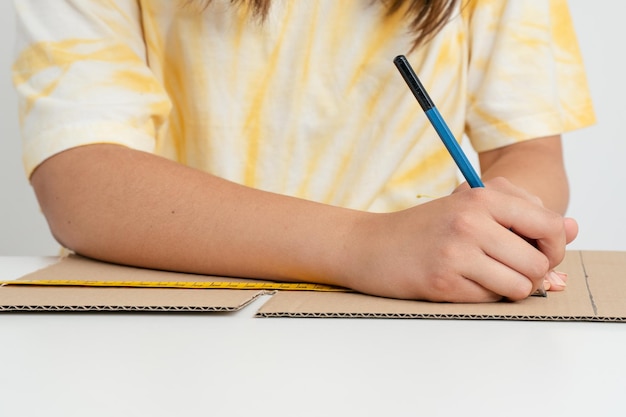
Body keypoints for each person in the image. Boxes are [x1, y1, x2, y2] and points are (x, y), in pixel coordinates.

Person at [12, 0, 594, 302]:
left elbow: (529, 153)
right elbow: (81, 177)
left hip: (417, 319)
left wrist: (498, 235)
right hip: (176, 310)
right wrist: (366, 245)